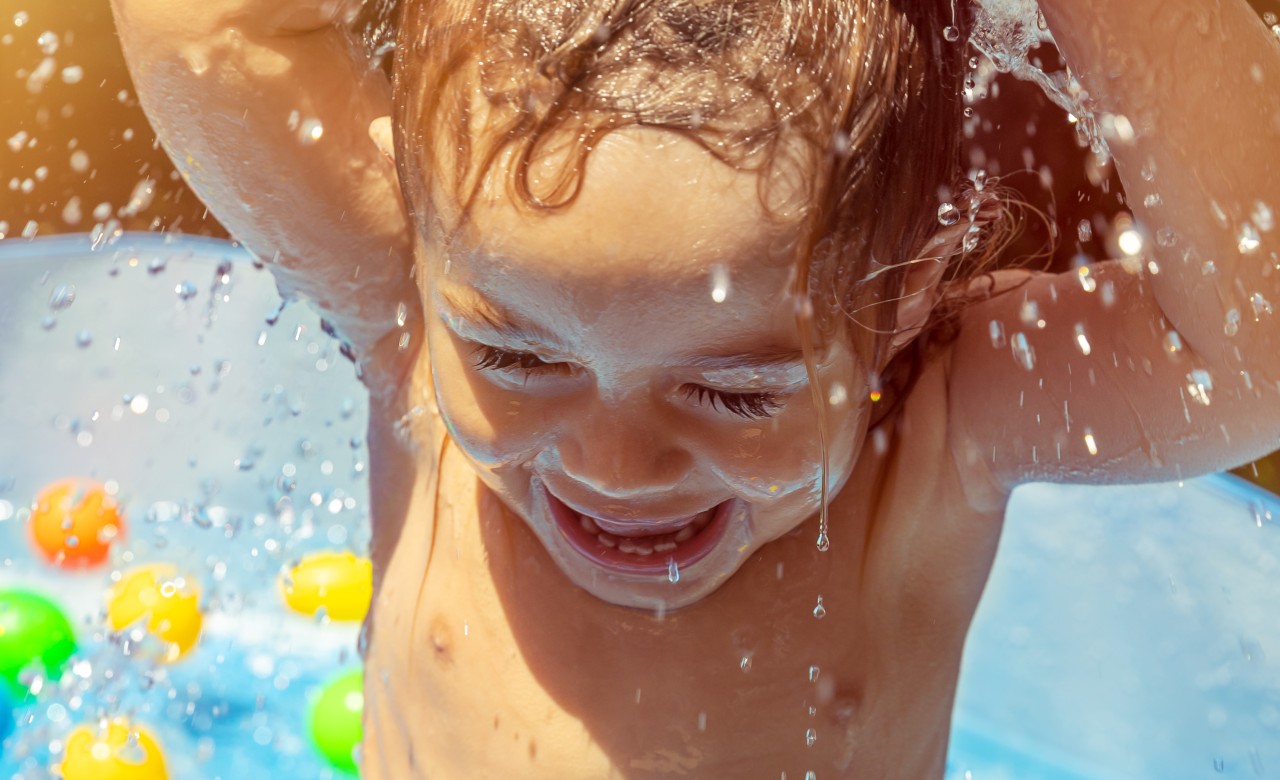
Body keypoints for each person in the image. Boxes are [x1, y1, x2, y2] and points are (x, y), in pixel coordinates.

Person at [108, 0, 1279, 776]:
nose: (614, 468)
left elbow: (1253, 344)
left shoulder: (934, 433)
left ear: (903, 296)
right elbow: (205, 40)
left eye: (733, 394)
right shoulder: (414, 319)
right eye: (519, 361)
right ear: (420, 239)